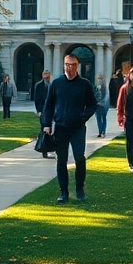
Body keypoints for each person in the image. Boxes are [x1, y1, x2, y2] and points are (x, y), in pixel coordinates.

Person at [41, 54, 99, 203]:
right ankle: (63, 192)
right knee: (61, 160)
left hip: (78, 128)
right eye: (67, 64)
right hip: (60, 127)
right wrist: (47, 124)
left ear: (77, 66)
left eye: (73, 64)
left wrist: (83, 117)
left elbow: (93, 104)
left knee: (79, 157)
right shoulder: (56, 83)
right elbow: (48, 105)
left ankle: (79, 188)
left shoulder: (84, 84)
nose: (70, 67)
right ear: (64, 65)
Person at [31, 70, 53, 157]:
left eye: (48, 77)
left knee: (52, 130)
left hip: (51, 110)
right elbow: (37, 99)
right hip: (43, 110)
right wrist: (39, 111)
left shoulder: (51, 85)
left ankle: (51, 147)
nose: (47, 79)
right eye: (45, 77)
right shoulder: (39, 85)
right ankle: (44, 150)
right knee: (44, 130)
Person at [92, 74, 108, 138]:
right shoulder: (95, 87)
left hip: (104, 106)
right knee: (98, 119)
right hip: (97, 105)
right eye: (98, 78)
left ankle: (103, 131)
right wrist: (96, 102)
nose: (99, 80)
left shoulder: (105, 88)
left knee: (103, 118)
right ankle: (100, 131)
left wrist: (103, 102)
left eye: (101, 78)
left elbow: (106, 96)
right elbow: (93, 94)